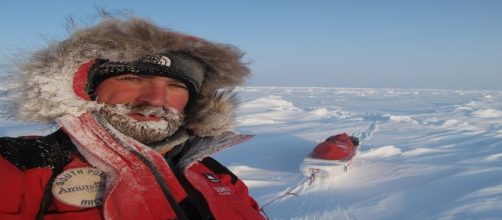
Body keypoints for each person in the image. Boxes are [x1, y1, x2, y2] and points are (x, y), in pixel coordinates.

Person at [0, 17, 265, 220]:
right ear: (88, 88)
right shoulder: (24, 164)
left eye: (177, 85)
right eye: (132, 78)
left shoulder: (214, 173)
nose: (156, 100)